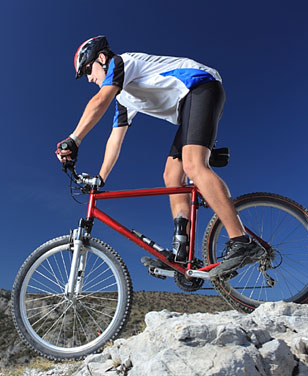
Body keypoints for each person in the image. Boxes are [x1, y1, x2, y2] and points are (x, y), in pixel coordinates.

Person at [56, 36, 265, 279]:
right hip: (188, 107)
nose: (89, 78)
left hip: (202, 87)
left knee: (193, 164)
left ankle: (241, 240)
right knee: (171, 175)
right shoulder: (123, 99)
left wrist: (74, 139)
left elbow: (99, 101)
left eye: (87, 71)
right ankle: (182, 254)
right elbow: (115, 140)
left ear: (101, 59)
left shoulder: (121, 63)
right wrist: (100, 179)